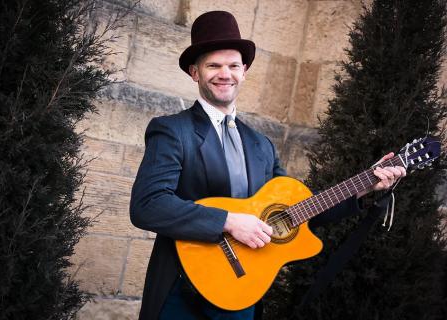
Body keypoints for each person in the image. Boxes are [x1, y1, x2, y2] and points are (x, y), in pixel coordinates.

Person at [129, 10, 406, 320]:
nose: (225, 74)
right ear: (195, 72)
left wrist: (367, 184)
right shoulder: (172, 130)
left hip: (244, 290)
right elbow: (148, 205)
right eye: (213, 65)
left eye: (233, 65)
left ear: (244, 71)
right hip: (182, 290)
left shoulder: (261, 145)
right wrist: (228, 221)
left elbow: (296, 212)